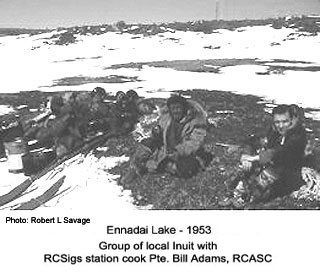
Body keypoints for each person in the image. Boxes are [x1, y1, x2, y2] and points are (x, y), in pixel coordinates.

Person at [222, 104, 307, 207]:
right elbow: (253, 141)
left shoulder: (298, 136)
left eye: (284, 121)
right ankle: (235, 196)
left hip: (288, 175)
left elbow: (280, 152)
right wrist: (246, 157)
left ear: (291, 120)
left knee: (260, 188)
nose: (281, 126)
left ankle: (247, 199)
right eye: (277, 122)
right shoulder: (273, 131)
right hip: (270, 168)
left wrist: (254, 158)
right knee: (239, 173)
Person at [120, 94, 212, 184]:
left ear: (184, 108)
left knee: (186, 168)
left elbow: (194, 143)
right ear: (170, 109)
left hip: (186, 154)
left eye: (178, 108)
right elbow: (159, 133)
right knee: (147, 143)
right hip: (167, 150)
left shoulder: (196, 121)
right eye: (173, 108)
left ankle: (150, 167)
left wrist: (178, 151)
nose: (176, 111)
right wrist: (156, 133)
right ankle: (136, 168)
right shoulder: (167, 119)